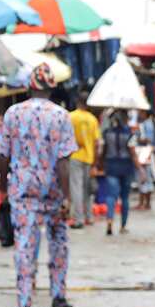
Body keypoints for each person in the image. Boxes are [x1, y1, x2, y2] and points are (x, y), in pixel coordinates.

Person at [0, 63, 77, 307]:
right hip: (52, 189)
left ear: (29, 87)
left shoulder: (12, 113)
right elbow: (63, 161)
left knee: (24, 244)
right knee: (58, 242)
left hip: (21, 188)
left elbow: (1, 153)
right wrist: (67, 197)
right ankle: (58, 295)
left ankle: (24, 302)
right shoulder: (62, 116)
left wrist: (2, 184)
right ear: (52, 88)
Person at [98, 109, 143, 235]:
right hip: (126, 167)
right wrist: (140, 170)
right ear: (125, 119)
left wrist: (99, 163)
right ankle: (123, 226)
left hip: (111, 166)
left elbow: (103, 151)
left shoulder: (107, 133)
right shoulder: (130, 134)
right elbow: (133, 154)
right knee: (125, 197)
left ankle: (109, 221)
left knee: (111, 196)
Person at [68, 91, 100, 229]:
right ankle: (89, 216)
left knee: (76, 188)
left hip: (75, 156)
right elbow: (97, 142)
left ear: (77, 102)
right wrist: (95, 161)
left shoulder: (71, 117)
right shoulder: (92, 119)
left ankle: (78, 219)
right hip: (89, 156)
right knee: (87, 189)